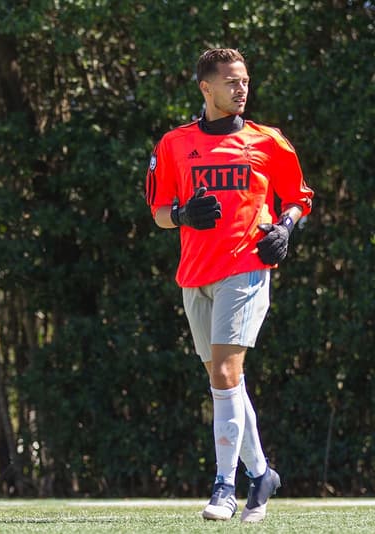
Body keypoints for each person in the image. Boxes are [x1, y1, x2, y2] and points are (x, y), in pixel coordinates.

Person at [144, 48, 314, 522]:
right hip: (194, 275)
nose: (242, 89)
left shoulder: (268, 140)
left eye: (245, 81)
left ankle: (224, 486)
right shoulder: (174, 143)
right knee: (225, 382)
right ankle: (262, 473)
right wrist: (182, 214)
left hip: (246, 268)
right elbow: (159, 212)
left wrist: (285, 228)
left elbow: (299, 198)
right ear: (206, 88)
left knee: (223, 374)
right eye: (231, 82)